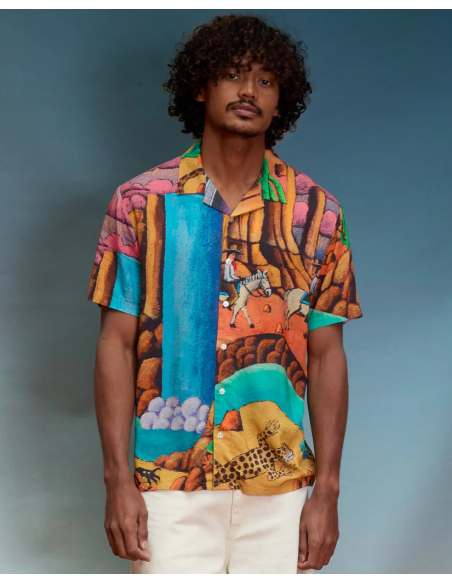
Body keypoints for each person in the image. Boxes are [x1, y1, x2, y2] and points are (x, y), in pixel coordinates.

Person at [87, 13, 363, 574]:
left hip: (280, 486)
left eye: (265, 80)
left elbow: (326, 354)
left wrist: (327, 491)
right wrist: (118, 480)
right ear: (199, 86)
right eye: (233, 74)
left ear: (282, 100)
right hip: (167, 483)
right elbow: (116, 344)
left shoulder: (317, 213)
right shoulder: (141, 202)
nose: (248, 91)